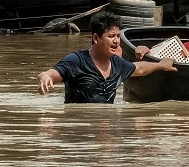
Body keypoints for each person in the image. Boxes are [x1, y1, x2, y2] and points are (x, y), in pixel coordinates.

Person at [36, 11, 175, 103]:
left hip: (107, 127)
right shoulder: (76, 61)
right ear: (96, 38)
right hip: (79, 128)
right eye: (111, 36)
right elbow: (52, 73)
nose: (116, 41)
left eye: (118, 36)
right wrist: (45, 76)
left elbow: (139, 68)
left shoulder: (118, 64)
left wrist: (161, 65)